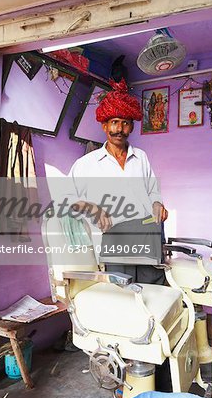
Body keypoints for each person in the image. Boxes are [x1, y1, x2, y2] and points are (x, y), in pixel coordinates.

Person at [65, 78, 168, 284]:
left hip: (147, 238)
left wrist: (157, 203)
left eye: (125, 123)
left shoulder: (141, 157)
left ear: (131, 127)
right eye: (114, 122)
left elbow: (153, 191)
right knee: (123, 296)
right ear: (104, 126)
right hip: (113, 242)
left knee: (154, 294)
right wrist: (91, 207)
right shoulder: (86, 164)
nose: (119, 129)